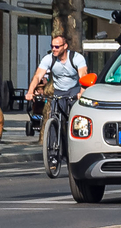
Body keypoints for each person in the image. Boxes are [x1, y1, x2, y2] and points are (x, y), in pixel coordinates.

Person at [27, 34, 91, 171]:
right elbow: (38, 75)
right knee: (53, 119)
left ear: (65, 46)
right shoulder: (49, 59)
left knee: (73, 123)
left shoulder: (76, 58)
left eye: (57, 46)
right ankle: (53, 156)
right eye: (52, 46)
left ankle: (76, 152)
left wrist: (82, 92)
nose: (54, 49)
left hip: (74, 91)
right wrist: (30, 91)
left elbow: (83, 76)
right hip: (59, 92)